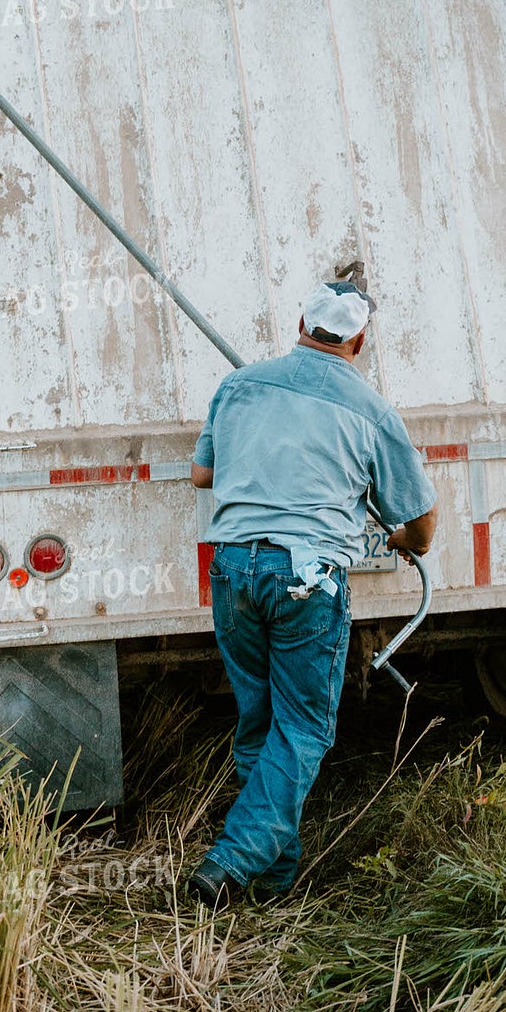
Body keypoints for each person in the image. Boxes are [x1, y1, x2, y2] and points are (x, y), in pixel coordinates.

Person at [186, 280, 437, 909]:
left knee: (261, 721)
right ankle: (229, 862)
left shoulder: (239, 385)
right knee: (303, 729)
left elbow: (201, 474)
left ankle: (274, 883)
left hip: (234, 568)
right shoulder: (372, 412)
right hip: (307, 580)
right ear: (359, 341)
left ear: (301, 322)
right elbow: (421, 522)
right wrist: (404, 538)